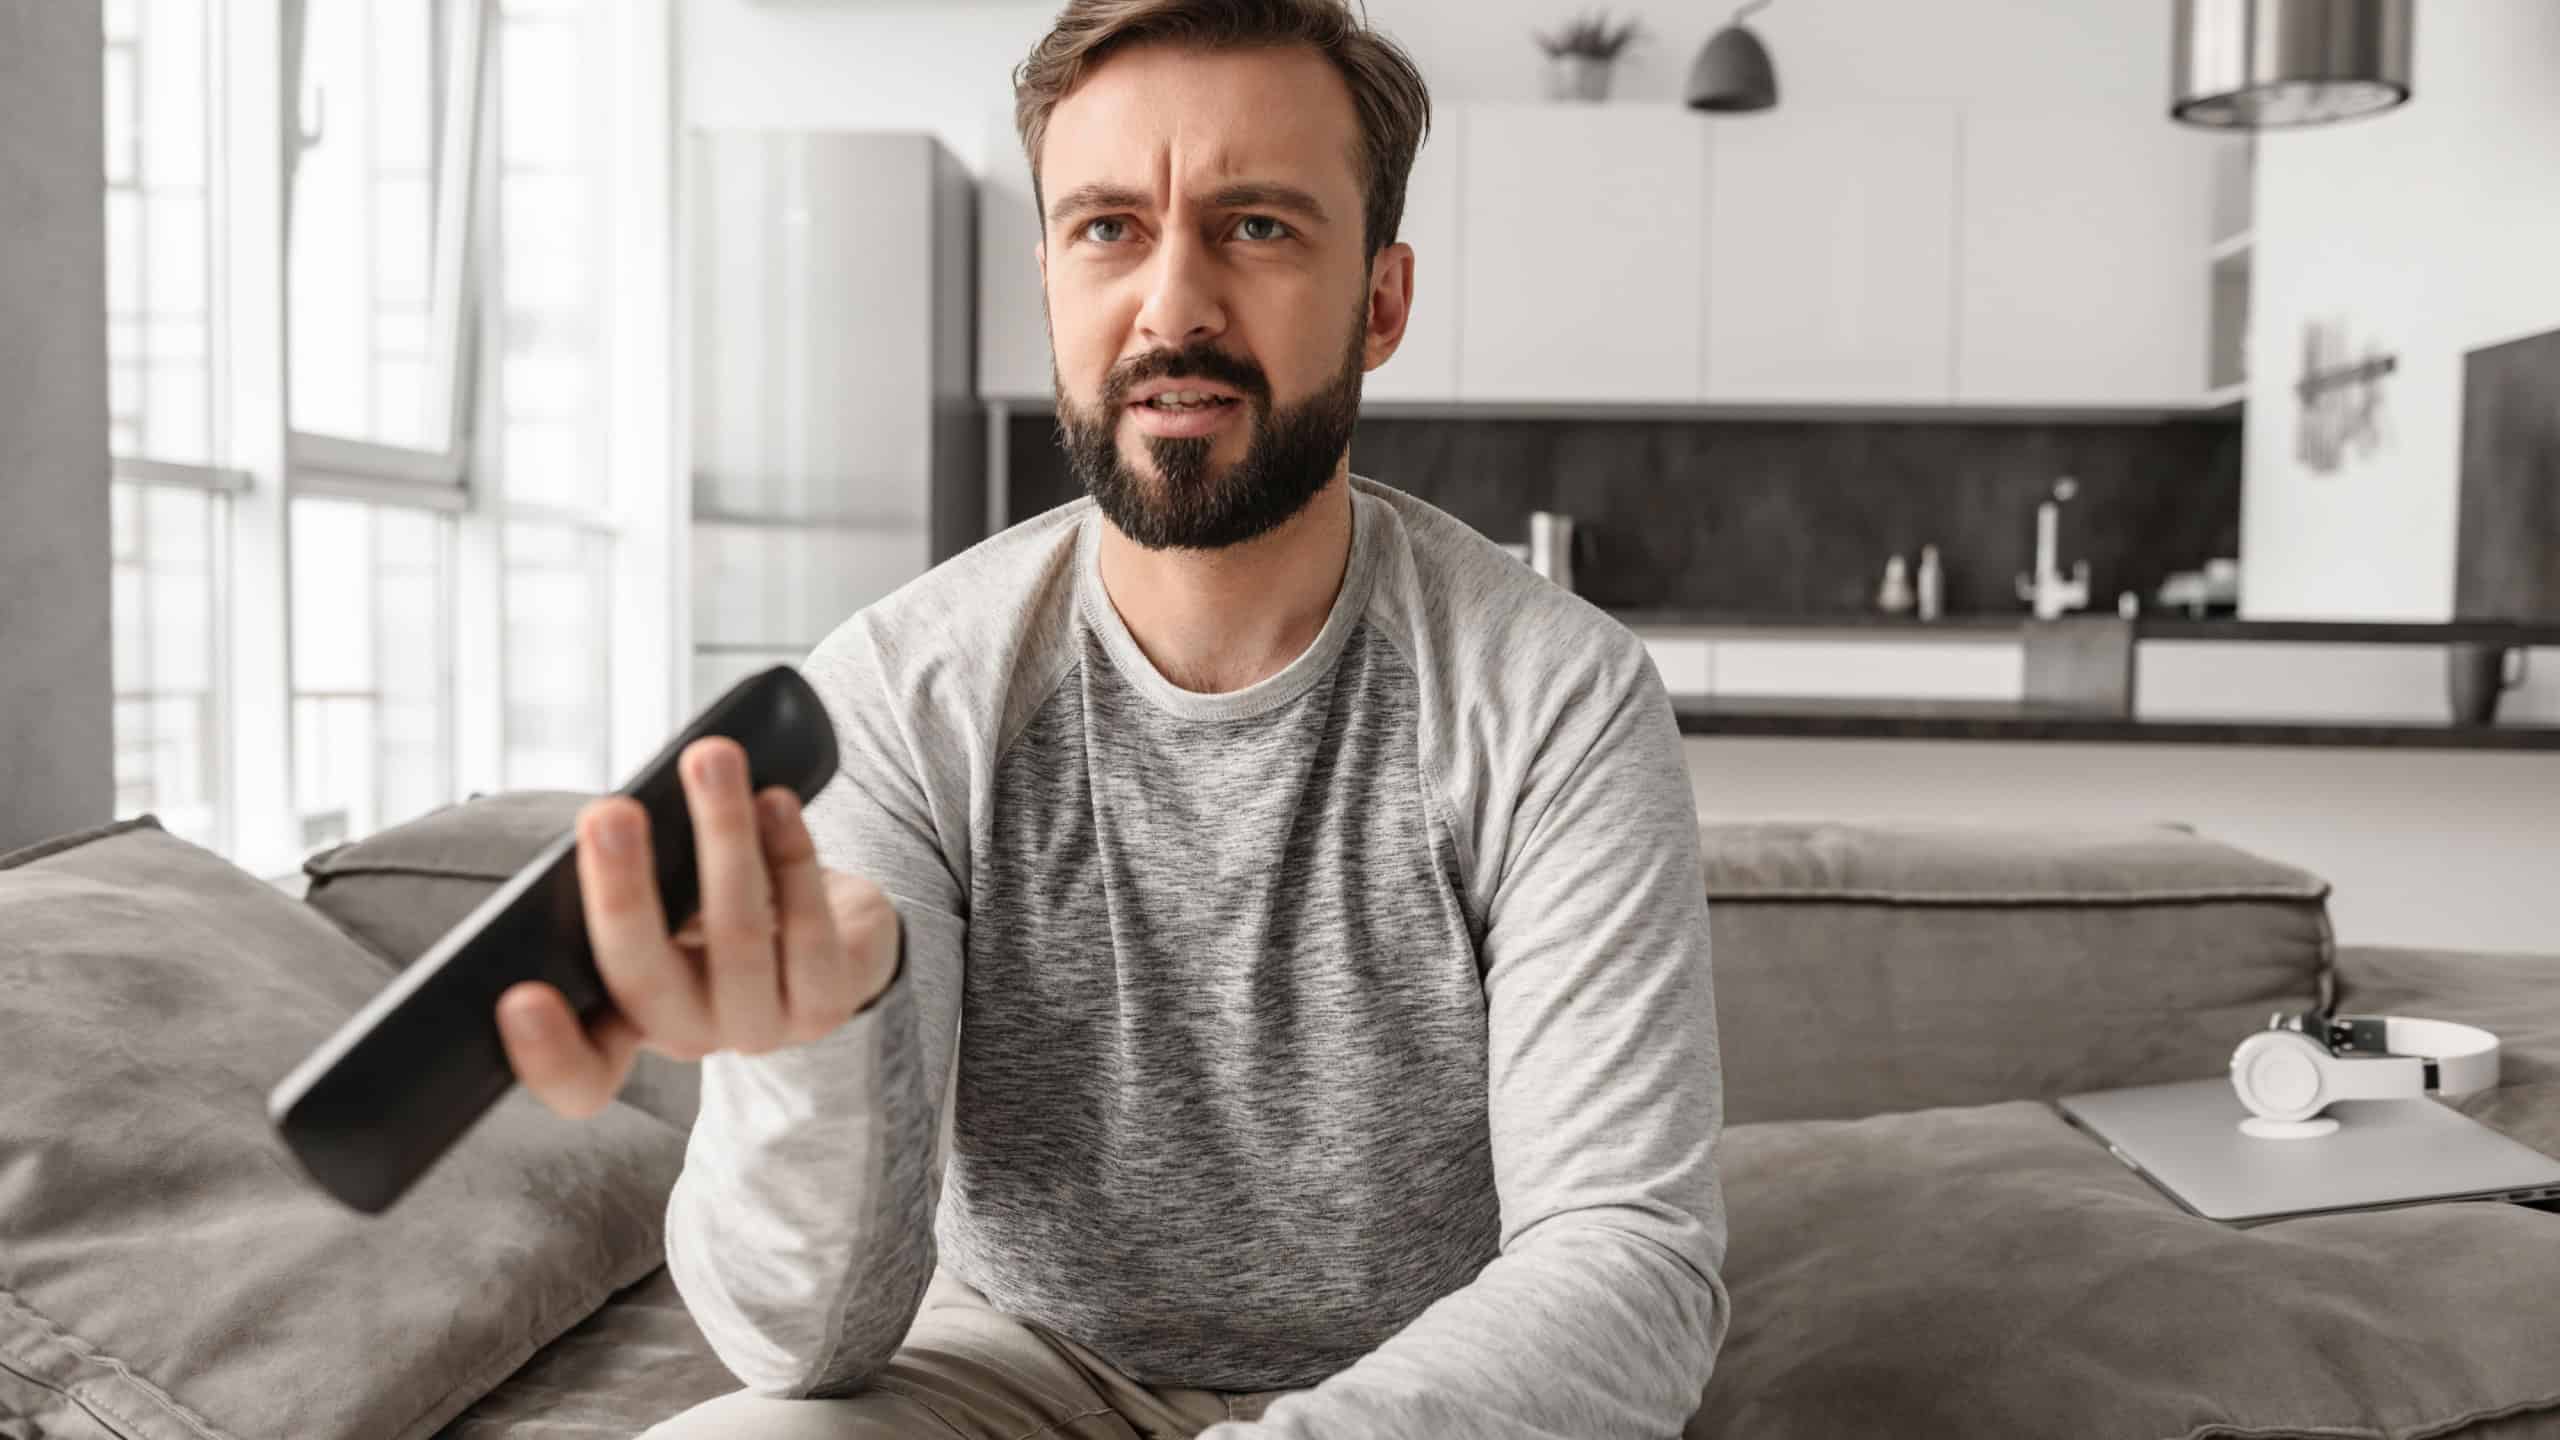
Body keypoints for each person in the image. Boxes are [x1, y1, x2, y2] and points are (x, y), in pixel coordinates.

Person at [494, 2, 1729, 1435]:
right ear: (1049, 283)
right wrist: (817, 1060)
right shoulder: (902, 693)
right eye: (1108, 229)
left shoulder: (1556, 698)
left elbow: (1630, 1263)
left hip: (1428, 1389)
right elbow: (803, 1345)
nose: (1173, 307)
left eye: (1257, 226)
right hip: (1013, 1377)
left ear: (1380, 300)